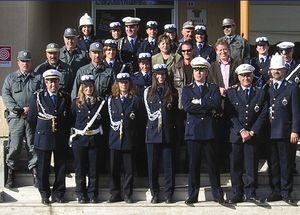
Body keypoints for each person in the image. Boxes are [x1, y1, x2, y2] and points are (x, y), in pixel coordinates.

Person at [182, 57, 225, 206]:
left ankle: (218, 195)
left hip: (209, 131)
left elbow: (216, 103)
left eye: (201, 70)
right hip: (193, 132)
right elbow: (187, 107)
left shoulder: (213, 88)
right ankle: (192, 196)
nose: (198, 73)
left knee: (213, 165)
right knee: (193, 165)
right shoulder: (187, 89)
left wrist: (199, 102)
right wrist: (206, 105)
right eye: (196, 70)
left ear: (207, 72)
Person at [27, 69, 71, 205]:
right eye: (50, 82)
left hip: (60, 136)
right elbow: (32, 119)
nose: (53, 84)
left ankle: (59, 193)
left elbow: (68, 117)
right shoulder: (37, 97)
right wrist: (39, 132)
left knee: (61, 166)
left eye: (55, 81)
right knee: (43, 167)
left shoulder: (65, 96)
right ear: (46, 82)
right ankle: (44, 193)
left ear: (59, 82)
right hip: (43, 136)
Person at [225, 64, 268, 204]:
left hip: (253, 135)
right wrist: (242, 131)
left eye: (248, 75)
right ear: (238, 77)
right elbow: (230, 114)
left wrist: (252, 131)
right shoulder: (231, 93)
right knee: (235, 166)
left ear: (252, 76)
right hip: (237, 135)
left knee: (251, 165)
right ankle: (237, 193)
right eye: (243, 75)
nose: (246, 78)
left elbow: (263, 114)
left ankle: (251, 193)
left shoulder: (260, 92)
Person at [2, 50, 40, 189]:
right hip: (16, 117)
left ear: (31, 63)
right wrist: (19, 109)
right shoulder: (10, 78)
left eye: (27, 61)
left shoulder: (37, 78)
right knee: (15, 145)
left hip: (31, 117)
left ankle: (35, 173)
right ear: (18, 62)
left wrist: (32, 109)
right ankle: (11, 174)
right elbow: (6, 95)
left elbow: (40, 95)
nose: (25, 64)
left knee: (32, 145)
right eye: (22, 61)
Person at [266, 53, 300, 205]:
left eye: (279, 69)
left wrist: (295, 130)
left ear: (285, 70)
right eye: (274, 69)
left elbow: (296, 112)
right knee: (273, 164)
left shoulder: (292, 88)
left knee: (286, 163)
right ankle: (276, 190)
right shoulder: (267, 88)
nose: (276, 72)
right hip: (270, 132)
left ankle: (286, 192)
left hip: (286, 132)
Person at [144, 64, 178, 204]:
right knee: (153, 166)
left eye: (163, 74)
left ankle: (169, 194)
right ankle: (155, 193)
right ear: (154, 76)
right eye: (158, 74)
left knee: (169, 166)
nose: (160, 77)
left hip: (167, 133)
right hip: (152, 134)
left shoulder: (172, 92)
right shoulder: (148, 92)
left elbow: (176, 114)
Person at [70, 74, 106, 204]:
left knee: (93, 169)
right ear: (82, 88)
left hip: (94, 139)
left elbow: (105, 121)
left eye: (91, 86)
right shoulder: (75, 103)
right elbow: (71, 120)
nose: (88, 89)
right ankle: (80, 194)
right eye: (86, 86)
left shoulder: (100, 102)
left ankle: (92, 194)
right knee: (79, 168)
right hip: (80, 139)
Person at [107, 72, 140, 203]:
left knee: (129, 169)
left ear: (129, 84)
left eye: (126, 82)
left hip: (129, 139)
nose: (123, 85)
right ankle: (115, 193)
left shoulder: (135, 100)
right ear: (117, 84)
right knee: (113, 168)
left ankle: (127, 194)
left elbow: (139, 120)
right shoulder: (111, 100)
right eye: (121, 83)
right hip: (115, 139)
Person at [170, 40, 194, 173]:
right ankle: (178, 166)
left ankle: (189, 165)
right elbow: (173, 90)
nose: (186, 53)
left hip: (195, 108)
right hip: (180, 108)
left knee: (192, 139)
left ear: (193, 51)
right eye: (183, 51)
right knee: (179, 137)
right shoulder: (175, 67)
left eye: (188, 50)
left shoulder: (198, 66)